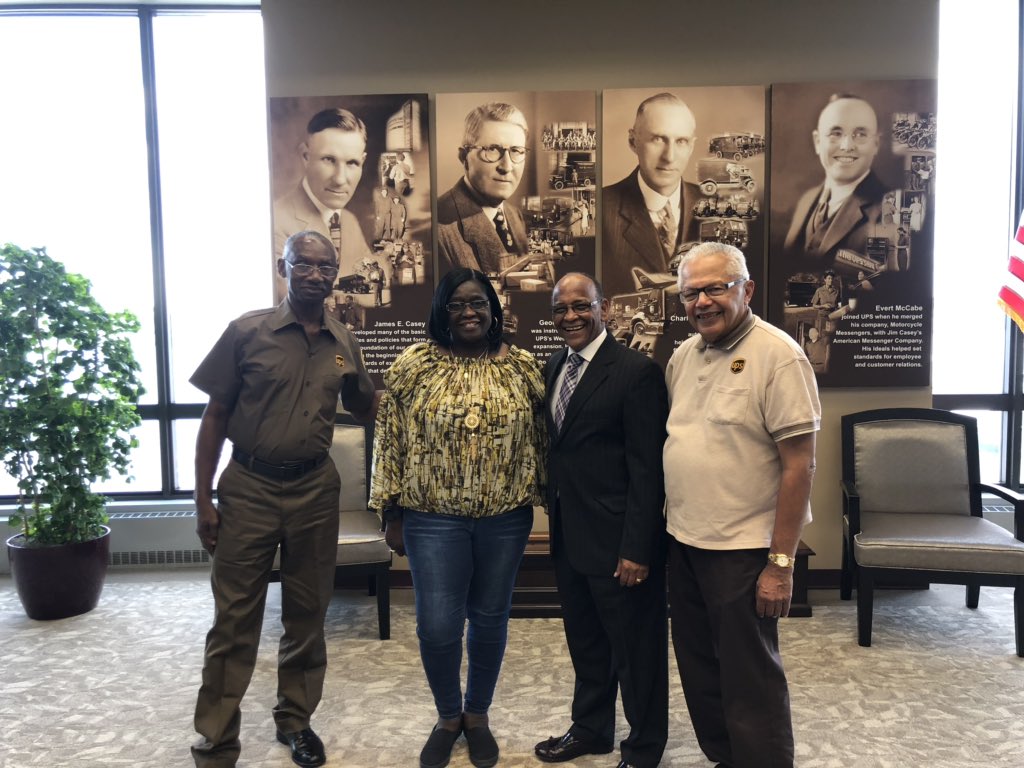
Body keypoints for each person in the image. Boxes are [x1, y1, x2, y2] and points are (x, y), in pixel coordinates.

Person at [190, 230, 376, 768]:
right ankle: (217, 736)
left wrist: (376, 390)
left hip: (315, 489)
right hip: (248, 486)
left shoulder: (344, 340)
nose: (316, 275)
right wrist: (202, 500)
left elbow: (365, 406)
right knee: (234, 618)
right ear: (284, 266)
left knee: (307, 614)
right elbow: (214, 420)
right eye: (305, 265)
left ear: (336, 274)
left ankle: (295, 721)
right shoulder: (246, 333)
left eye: (327, 267)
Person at [369, 268, 546, 768]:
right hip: (432, 519)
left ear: (494, 309)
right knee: (437, 625)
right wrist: (391, 512)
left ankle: (478, 715)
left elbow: (546, 439)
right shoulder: (414, 365)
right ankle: (448, 716)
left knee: (490, 620)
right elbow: (389, 440)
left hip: (505, 518)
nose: (469, 312)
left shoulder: (524, 368)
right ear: (442, 311)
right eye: (456, 304)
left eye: (478, 303)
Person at [664, 242, 820, 768]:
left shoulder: (779, 356)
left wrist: (780, 564)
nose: (702, 302)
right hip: (684, 541)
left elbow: (800, 466)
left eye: (715, 288)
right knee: (701, 669)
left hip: (744, 551)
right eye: (691, 292)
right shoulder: (683, 356)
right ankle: (725, 758)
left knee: (750, 677)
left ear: (746, 290)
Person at [534, 273, 669, 768]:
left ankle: (644, 747)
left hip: (620, 546)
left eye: (580, 306)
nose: (570, 317)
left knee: (637, 654)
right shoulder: (553, 365)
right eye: (560, 309)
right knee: (587, 646)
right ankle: (591, 730)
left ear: (604, 307)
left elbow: (647, 470)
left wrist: (638, 548)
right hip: (571, 538)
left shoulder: (635, 372)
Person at [602, 92, 701, 295]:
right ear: (632, 141)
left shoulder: (717, 207)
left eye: (681, 141)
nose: (669, 157)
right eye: (658, 139)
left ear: (691, 146)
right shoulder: (601, 209)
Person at [783, 93, 893, 273]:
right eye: (836, 133)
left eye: (860, 134)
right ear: (818, 142)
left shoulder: (890, 213)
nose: (847, 145)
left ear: (876, 144)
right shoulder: (807, 200)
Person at [272, 108, 375, 295]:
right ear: (305, 156)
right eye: (329, 159)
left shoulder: (349, 221)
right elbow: (286, 298)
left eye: (352, 163)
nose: (340, 179)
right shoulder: (276, 222)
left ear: (363, 161)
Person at [437, 102, 530, 275]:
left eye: (516, 151)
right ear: (464, 157)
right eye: (493, 149)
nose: (507, 166)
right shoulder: (438, 229)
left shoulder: (515, 215)